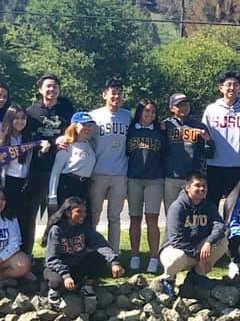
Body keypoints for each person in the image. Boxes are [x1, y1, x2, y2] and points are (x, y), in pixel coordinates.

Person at [41, 197, 124, 305]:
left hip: (78, 265)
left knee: (99, 257)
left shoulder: (85, 226)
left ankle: (87, 286)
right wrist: (66, 275)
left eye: (84, 211)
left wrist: (114, 262)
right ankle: (54, 291)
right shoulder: (57, 230)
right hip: (57, 269)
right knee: (57, 282)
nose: (83, 215)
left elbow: (100, 243)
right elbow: (52, 259)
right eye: (79, 211)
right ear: (67, 212)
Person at [0, 103, 49, 258]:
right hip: (7, 184)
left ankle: (25, 256)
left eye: (23, 118)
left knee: (27, 222)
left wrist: (43, 148)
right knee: (7, 220)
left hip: (26, 184)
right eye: (16, 118)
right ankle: (4, 257)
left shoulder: (29, 138)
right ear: (9, 120)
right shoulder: (1, 138)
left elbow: (38, 158)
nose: (20, 122)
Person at [158, 174, 228, 297]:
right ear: (187, 187)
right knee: (177, 257)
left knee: (223, 242)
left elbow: (220, 226)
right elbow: (176, 239)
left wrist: (208, 242)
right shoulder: (178, 207)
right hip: (175, 249)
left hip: (198, 247)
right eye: (197, 185)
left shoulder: (208, 205)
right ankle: (168, 280)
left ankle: (197, 276)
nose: (202, 189)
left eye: (204, 186)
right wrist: (199, 256)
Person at [88, 78, 132, 252]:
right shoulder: (94, 116)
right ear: (104, 94)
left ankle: (113, 253)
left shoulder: (127, 116)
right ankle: (91, 250)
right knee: (94, 214)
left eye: (120, 93)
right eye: (113, 93)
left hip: (120, 172)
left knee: (114, 216)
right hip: (98, 171)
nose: (117, 96)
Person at [202, 71, 240, 208]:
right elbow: (203, 139)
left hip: (237, 166)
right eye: (228, 85)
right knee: (211, 204)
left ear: (239, 88)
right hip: (214, 164)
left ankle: (232, 230)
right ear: (221, 88)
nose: (232, 88)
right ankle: (214, 230)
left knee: (235, 205)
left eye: (235, 85)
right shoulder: (211, 110)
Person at [26, 74, 76, 223]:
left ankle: (54, 245)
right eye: (48, 86)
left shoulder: (67, 111)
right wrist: (52, 142)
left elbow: (75, 132)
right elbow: (26, 138)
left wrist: (66, 138)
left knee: (57, 214)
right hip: (37, 169)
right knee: (30, 213)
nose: (52, 89)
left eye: (55, 86)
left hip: (61, 169)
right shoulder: (31, 112)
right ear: (40, 89)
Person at [126, 99, 165, 273]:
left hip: (154, 180)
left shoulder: (159, 133)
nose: (149, 114)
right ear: (139, 112)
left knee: (152, 220)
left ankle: (153, 257)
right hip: (133, 179)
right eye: (146, 111)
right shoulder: (130, 131)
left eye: (153, 112)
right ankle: (135, 255)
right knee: (134, 218)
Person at [162, 94, 214, 210]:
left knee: (193, 214)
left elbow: (209, 153)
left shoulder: (198, 126)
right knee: (172, 213)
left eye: (185, 104)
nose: (183, 108)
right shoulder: (166, 125)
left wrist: (207, 140)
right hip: (171, 177)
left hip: (192, 178)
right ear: (171, 108)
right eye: (179, 105)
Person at [48, 112, 97, 211]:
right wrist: (52, 196)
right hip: (68, 185)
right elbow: (55, 172)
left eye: (90, 125)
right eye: (84, 125)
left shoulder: (89, 145)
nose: (87, 128)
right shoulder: (66, 145)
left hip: (84, 187)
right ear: (74, 126)